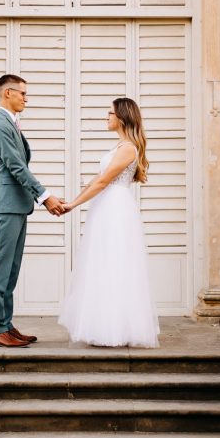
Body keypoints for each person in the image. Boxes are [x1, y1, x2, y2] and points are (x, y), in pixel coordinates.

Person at [59, 97, 159, 348]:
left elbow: (103, 182)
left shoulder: (128, 149)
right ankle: (102, 324)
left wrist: (73, 205)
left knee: (114, 264)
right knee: (102, 262)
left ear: (122, 118)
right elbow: (98, 179)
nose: (107, 117)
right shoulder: (120, 146)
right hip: (106, 206)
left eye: (110, 113)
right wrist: (74, 199)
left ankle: (115, 329)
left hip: (115, 208)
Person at [0, 74, 64, 348]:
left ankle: (5, 324)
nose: (26, 98)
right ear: (8, 93)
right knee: (1, 268)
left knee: (11, 269)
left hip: (16, 205)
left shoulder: (10, 123)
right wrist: (45, 196)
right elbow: (16, 166)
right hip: (6, 205)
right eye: (22, 93)